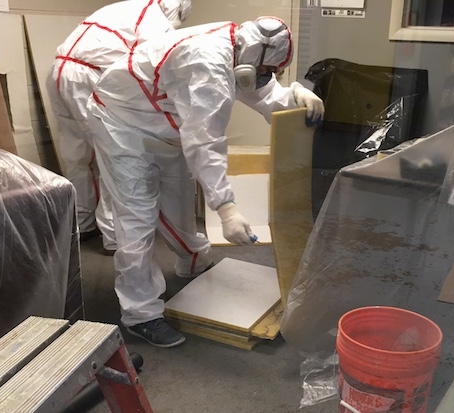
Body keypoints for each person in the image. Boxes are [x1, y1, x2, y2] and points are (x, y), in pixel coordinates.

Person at [86, 16, 324, 347]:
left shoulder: (238, 48)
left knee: (179, 202)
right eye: (267, 69)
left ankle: (192, 260)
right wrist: (226, 208)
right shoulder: (207, 65)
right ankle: (141, 315)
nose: (266, 77)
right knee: (137, 219)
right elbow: (204, 142)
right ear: (255, 52)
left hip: (164, 122)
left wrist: (293, 98)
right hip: (123, 127)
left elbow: (255, 85)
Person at [46, 0, 192, 255]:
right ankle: (114, 236)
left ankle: (82, 223)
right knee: (114, 156)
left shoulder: (125, 7)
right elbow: (158, 64)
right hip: (90, 76)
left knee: (78, 154)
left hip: (60, 70)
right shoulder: (155, 16)